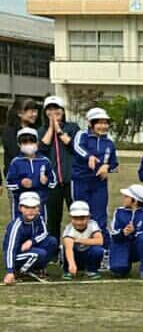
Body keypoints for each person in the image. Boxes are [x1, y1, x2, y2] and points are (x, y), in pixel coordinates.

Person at [71, 108, 118, 252]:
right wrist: (89, 156)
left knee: (100, 217)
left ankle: (103, 250)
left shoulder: (109, 142)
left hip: (99, 184)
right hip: (80, 181)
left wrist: (107, 167)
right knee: (80, 214)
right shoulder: (82, 135)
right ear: (91, 124)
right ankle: (78, 249)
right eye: (100, 123)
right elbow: (77, 147)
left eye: (106, 123)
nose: (103, 126)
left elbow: (115, 163)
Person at [37, 96, 79, 236]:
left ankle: (78, 249)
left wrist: (59, 130)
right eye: (49, 109)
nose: (53, 111)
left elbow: (75, 147)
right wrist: (51, 127)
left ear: (62, 110)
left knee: (78, 215)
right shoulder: (41, 131)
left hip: (71, 180)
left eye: (56, 108)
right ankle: (53, 252)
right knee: (53, 220)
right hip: (52, 183)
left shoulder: (72, 128)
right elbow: (41, 148)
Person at [3, 192, 56, 284]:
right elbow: (10, 250)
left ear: (38, 208)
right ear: (20, 208)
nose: (30, 210)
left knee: (52, 241)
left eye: (34, 207)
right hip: (17, 255)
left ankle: (38, 269)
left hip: (30, 248)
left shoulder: (39, 218)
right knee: (40, 253)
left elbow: (44, 233)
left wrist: (32, 241)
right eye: (27, 207)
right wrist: (9, 271)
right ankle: (19, 272)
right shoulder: (16, 226)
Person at [108, 184, 143, 280]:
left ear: (135, 201)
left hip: (137, 246)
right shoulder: (119, 212)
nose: (123, 198)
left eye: (126, 197)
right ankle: (123, 265)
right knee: (118, 269)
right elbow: (113, 233)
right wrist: (123, 232)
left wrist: (134, 231)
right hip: (123, 244)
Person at [6, 127, 55, 214]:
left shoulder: (44, 161)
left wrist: (46, 181)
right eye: (25, 142)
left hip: (40, 205)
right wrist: (21, 183)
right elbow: (9, 184)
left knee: (40, 226)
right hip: (21, 206)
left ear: (37, 142)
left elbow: (53, 182)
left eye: (32, 141)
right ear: (19, 144)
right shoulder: (16, 162)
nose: (29, 145)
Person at [60, 199, 105, 281]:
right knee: (64, 248)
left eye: (82, 218)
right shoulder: (69, 229)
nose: (79, 222)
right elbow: (69, 248)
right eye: (75, 218)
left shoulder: (93, 224)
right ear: (70, 217)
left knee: (98, 250)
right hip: (74, 256)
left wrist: (78, 240)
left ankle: (92, 270)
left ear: (88, 217)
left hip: (87, 254)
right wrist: (72, 264)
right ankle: (67, 271)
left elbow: (99, 241)